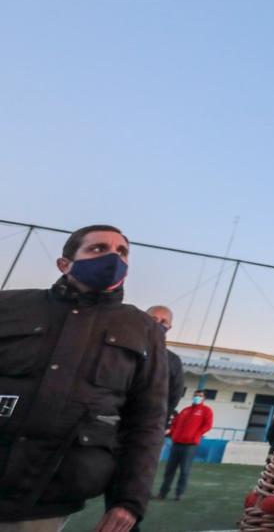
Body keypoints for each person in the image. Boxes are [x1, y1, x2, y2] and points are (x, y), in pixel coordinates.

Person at [0, 224, 167, 532]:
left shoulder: (143, 330)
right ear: (65, 264)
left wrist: (128, 501)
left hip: (47, 500)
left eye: (121, 252)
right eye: (98, 248)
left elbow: (146, 422)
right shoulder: (9, 306)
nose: (112, 257)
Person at [157, 390, 213, 501]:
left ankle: (179, 494)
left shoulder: (206, 411)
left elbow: (208, 425)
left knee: (184, 471)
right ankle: (162, 493)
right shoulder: (185, 410)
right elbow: (174, 424)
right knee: (169, 470)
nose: (197, 397)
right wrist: (171, 432)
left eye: (200, 396)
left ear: (204, 398)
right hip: (176, 443)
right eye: (195, 395)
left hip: (190, 445)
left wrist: (196, 434)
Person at [145, 306, 184, 426]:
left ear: (169, 327)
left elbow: (174, 396)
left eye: (163, 321)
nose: (158, 323)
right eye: (153, 318)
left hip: (146, 425)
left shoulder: (172, 361)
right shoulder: (121, 348)